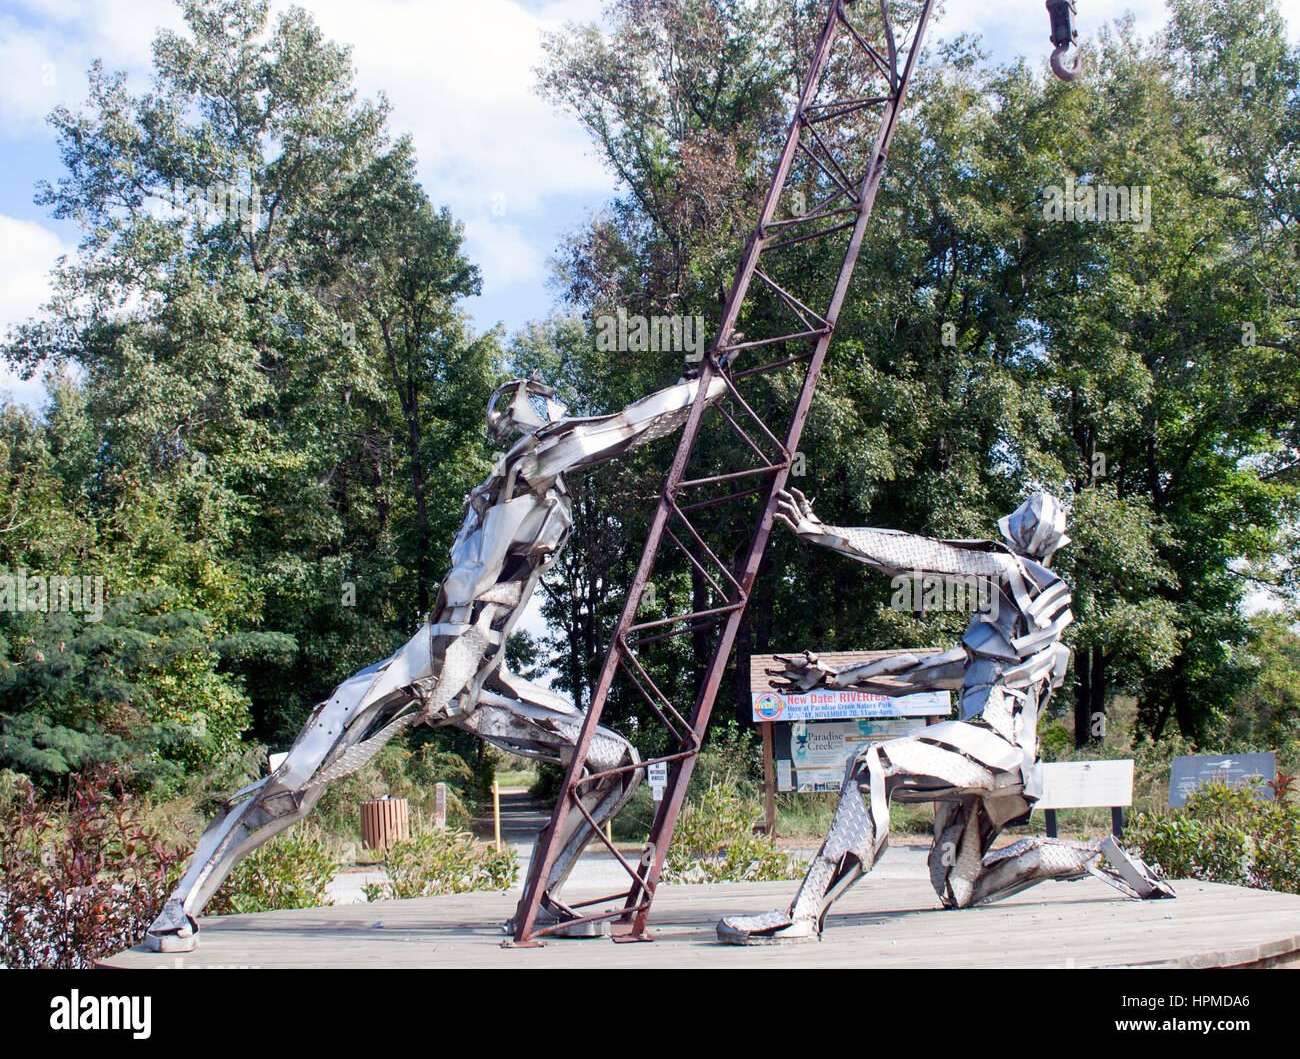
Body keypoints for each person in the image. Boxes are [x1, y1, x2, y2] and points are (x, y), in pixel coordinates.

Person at [146, 371, 725, 952]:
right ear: (522, 421)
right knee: (294, 784)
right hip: (429, 664)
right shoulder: (526, 466)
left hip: (480, 677)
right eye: (535, 402)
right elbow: (618, 429)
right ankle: (178, 906)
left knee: (615, 763)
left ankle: (540, 902)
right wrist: (697, 391)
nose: (548, 405)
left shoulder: (547, 488)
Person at [717, 486, 1172, 945]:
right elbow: (921, 671)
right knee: (959, 885)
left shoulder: (1009, 568)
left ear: (1016, 538)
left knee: (871, 765)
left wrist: (824, 532)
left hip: (992, 744)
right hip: (1012, 769)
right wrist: (834, 678)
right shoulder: (1028, 642)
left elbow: (924, 556)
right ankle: (1096, 854)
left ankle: (804, 915)